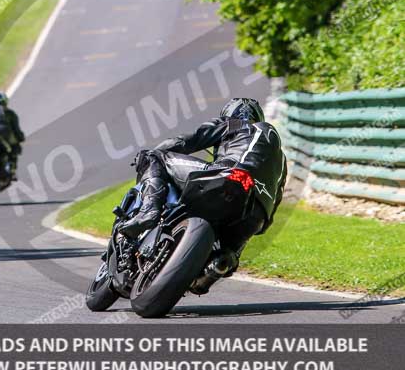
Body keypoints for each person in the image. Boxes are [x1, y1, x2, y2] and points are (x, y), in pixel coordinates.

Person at [120, 97, 287, 294]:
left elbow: (185, 141)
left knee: (155, 158)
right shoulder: (282, 161)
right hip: (257, 214)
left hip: (226, 177)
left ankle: (148, 211)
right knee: (228, 253)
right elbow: (276, 201)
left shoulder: (235, 124)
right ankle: (217, 266)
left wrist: (150, 153)